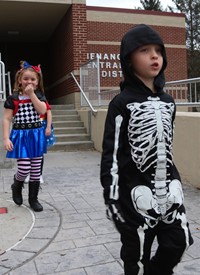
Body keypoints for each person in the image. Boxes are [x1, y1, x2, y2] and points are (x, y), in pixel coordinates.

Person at [100, 24, 193, 275]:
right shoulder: (122, 103)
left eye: (158, 51)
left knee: (179, 240)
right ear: (128, 59)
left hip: (168, 189)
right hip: (133, 193)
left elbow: (167, 146)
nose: (155, 56)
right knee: (136, 255)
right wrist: (112, 198)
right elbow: (111, 154)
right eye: (144, 50)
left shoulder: (168, 101)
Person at [2, 60, 47, 212]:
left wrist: (32, 94)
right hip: (21, 136)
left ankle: (33, 199)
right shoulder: (13, 98)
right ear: (20, 80)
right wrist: (6, 138)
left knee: (35, 170)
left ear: (37, 81)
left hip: (36, 135)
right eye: (26, 78)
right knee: (24, 168)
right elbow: (7, 119)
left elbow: (42, 111)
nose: (29, 81)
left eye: (33, 79)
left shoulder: (39, 95)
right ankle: (17, 184)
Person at [24, 101, 56, 184]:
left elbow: (48, 113)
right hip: (29, 127)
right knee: (28, 151)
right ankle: (28, 173)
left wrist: (48, 127)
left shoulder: (42, 98)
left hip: (41, 126)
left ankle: (39, 174)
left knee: (39, 152)